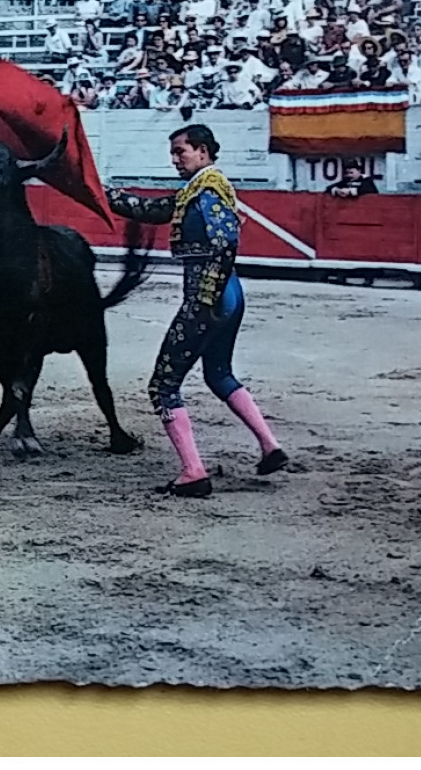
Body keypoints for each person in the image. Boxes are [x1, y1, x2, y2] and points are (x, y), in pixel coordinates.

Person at [105, 125, 288, 498]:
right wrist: (105, 194)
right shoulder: (201, 188)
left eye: (180, 152)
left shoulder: (207, 190)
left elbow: (225, 241)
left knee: (163, 384)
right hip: (229, 292)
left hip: (210, 295)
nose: (175, 160)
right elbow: (153, 210)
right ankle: (270, 447)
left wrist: (206, 299)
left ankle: (193, 471)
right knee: (219, 373)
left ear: (202, 151)